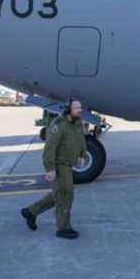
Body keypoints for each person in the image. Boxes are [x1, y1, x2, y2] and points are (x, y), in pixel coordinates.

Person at [21, 99, 87, 239]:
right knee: (65, 195)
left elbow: (81, 140)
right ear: (69, 109)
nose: (79, 110)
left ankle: (31, 211)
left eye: (80, 107)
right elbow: (50, 148)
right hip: (59, 164)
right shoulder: (59, 124)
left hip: (69, 164)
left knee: (58, 193)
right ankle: (63, 228)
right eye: (76, 107)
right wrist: (50, 168)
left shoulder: (77, 123)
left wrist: (82, 155)